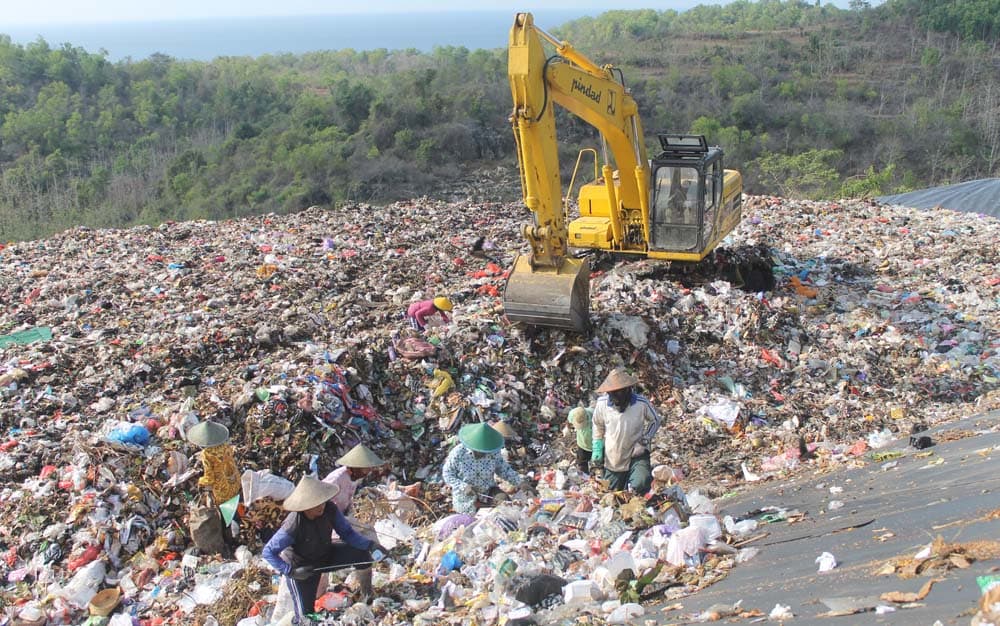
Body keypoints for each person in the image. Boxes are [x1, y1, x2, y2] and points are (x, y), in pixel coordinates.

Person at [262, 476, 387, 622]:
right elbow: (268, 552)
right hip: (303, 568)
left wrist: (370, 545)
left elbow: (347, 533)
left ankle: (367, 594)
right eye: (316, 504)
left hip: (326, 555)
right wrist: (291, 571)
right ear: (305, 506)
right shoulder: (294, 524)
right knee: (306, 617)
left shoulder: (329, 509)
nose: (321, 506)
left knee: (363, 554)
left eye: (322, 502)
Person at [590, 368, 662, 495]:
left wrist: (644, 440)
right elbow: (597, 424)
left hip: (637, 452)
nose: (617, 397)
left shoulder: (641, 403)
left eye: (620, 393)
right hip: (613, 456)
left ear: (628, 389)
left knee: (640, 483)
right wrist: (597, 446)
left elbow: (655, 420)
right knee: (611, 493)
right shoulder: (602, 404)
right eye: (613, 394)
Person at [442, 422, 527, 514]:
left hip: (487, 490)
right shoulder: (458, 453)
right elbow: (447, 474)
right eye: (480, 451)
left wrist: (520, 482)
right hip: (465, 497)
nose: (483, 454)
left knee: (505, 503)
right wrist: (463, 486)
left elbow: (503, 469)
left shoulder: (492, 451)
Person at [322, 443, 386, 516]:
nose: (368, 472)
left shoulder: (354, 478)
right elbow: (321, 499)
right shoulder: (337, 478)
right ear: (356, 467)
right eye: (365, 469)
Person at [567, 406, 594, 475]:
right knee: (582, 463)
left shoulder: (594, 414)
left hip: (594, 445)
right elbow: (569, 422)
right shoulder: (573, 413)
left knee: (597, 464)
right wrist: (568, 429)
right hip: (582, 444)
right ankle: (585, 476)